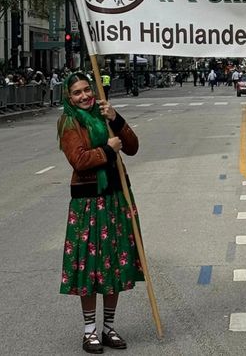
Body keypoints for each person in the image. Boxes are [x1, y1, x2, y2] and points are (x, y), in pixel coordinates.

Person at [57, 72, 143, 353]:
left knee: (113, 264)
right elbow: (79, 160)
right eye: (76, 93)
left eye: (86, 90)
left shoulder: (105, 115)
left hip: (117, 197)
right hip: (88, 203)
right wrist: (107, 149)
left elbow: (132, 147)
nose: (83, 96)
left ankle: (108, 327)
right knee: (89, 268)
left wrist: (116, 119)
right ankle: (89, 331)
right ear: (69, 97)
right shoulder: (69, 122)